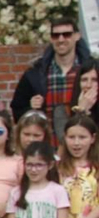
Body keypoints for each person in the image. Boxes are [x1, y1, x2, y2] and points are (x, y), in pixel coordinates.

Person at [12, 13, 95, 142]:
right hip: (46, 148)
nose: (61, 39)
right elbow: (17, 111)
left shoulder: (92, 72)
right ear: (51, 39)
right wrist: (31, 108)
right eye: (55, 35)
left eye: (66, 34)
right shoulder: (35, 74)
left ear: (77, 36)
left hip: (85, 147)